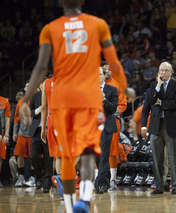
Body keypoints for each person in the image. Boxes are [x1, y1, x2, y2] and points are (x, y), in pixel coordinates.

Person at [18, 1, 134, 213]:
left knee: (68, 155)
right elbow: (114, 62)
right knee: (89, 153)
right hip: (88, 95)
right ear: (82, 1)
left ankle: (71, 206)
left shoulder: (50, 28)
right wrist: (126, 88)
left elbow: (41, 67)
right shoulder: (97, 24)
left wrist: (26, 99)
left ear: (60, 2)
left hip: (63, 98)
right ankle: (86, 197)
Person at [148, 62, 176, 195]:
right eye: (160, 70)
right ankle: (158, 185)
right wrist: (158, 86)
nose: (162, 73)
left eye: (165, 70)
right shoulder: (153, 85)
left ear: (171, 72)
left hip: (172, 125)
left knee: (173, 157)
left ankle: (175, 185)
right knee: (156, 158)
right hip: (156, 125)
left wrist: (162, 103)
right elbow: (151, 100)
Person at [103, 64, 128, 191]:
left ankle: (113, 179)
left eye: (109, 70)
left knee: (112, 150)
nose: (107, 72)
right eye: (105, 70)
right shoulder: (95, 84)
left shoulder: (117, 84)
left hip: (112, 120)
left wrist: (111, 112)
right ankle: (98, 178)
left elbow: (123, 104)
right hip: (96, 121)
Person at [95, 67, 118, 194]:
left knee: (104, 154)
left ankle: (100, 184)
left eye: (99, 74)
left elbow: (114, 108)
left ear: (104, 76)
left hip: (107, 125)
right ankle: (106, 179)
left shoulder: (112, 89)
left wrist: (104, 100)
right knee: (97, 156)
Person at [29, 82, 53, 193]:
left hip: (50, 129)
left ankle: (47, 183)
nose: (45, 86)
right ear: (39, 86)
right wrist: (38, 110)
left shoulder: (54, 94)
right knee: (33, 156)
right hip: (37, 131)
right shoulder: (35, 96)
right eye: (43, 85)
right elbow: (29, 112)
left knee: (48, 158)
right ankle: (40, 177)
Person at [0, 95, 11, 187]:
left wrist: (6, 134)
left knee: (0, 157)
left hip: (2, 134)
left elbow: (7, 119)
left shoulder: (4, 101)